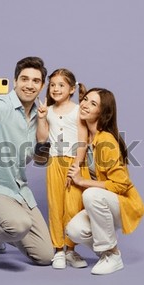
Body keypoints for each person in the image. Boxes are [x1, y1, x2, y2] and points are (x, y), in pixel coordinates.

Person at [0, 56, 53, 269]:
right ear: (15, 81)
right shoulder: (2, 104)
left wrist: (42, 129)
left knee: (44, 256)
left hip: (18, 191)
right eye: (24, 79)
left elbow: (41, 161)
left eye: (35, 81)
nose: (29, 85)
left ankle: (1, 230)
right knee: (19, 224)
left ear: (42, 86)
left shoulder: (40, 115)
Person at [65, 87, 144, 275]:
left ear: (103, 113)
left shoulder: (106, 140)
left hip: (121, 204)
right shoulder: (89, 138)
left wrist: (82, 181)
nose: (85, 104)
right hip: (104, 206)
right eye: (85, 100)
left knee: (91, 194)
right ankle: (108, 253)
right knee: (74, 230)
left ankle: (112, 255)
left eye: (93, 104)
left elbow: (121, 185)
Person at [36, 68, 91, 269]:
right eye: (52, 85)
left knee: (73, 206)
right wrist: (42, 117)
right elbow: (42, 139)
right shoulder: (47, 111)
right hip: (54, 163)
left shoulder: (78, 110)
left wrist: (76, 166)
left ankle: (71, 250)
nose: (56, 89)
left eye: (61, 85)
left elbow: (83, 140)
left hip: (74, 163)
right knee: (55, 206)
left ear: (71, 89)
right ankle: (58, 250)